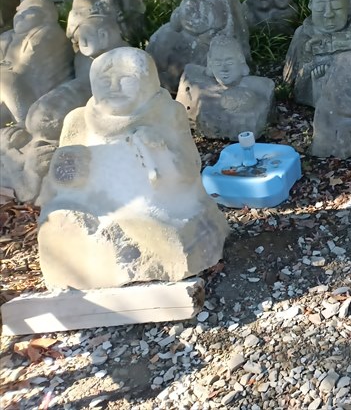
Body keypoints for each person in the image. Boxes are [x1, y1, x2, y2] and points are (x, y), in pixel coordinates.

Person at [38, 47, 228, 289]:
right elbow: (62, 183)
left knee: (160, 232)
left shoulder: (167, 114)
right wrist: (70, 166)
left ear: (148, 82)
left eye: (126, 79)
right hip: (93, 205)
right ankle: (80, 255)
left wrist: (159, 150)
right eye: (104, 81)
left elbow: (189, 172)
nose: (113, 87)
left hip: (156, 207)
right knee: (59, 219)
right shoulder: (78, 120)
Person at [177, 34, 275, 140]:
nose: (224, 69)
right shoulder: (194, 83)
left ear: (241, 61)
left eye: (230, 62)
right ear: (210, 63)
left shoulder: (262, 88)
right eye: (218, 64)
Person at [0, 0, 74, 124]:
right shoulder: (8, 37)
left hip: (38, 94)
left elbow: (25, 69)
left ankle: (22, 121)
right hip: (11, 89)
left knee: (5, 78)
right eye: (19, 11)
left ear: (47, 16)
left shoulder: (48, 34)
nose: (21, 15)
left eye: (30, 11)